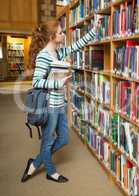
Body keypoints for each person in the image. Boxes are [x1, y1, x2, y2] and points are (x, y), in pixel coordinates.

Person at [21, 19, 99, 183]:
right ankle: (51, 172)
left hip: (60, 104)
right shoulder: (43, 56)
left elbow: (76, 45)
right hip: (49, 106)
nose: (63, 34)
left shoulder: (58, 52)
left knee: (63, 139)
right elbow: (36, 82)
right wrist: (58, 83)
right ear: (51, 36)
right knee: (48, 142)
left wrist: (94, 30)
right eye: (60, 32)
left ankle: (34, 163)